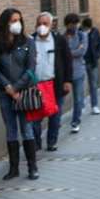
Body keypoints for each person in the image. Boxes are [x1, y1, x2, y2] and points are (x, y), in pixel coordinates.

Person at [0, 7, 39, 180]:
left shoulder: (28, 42)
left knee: (27, 130)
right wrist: (8, 87)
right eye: (12, 20)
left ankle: (32, 167)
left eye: (18, 20)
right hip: (5, 94)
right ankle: (13, 169)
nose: (16, 23)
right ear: (5, 23)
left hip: (24, 93)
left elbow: (31, 69)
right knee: (11, 131)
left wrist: (17, 88)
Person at [31, 12, 72, 152]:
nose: (42, 26)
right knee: (35, 118)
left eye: (45, 24)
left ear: (51, 25)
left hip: (54, 84)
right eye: (39, 23)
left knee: (55, 116)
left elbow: (68, 60)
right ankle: (36, 143)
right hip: (35, 86)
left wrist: (67, 80)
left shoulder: (59, 40)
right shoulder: (30, 41)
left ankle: (52, 141)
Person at [63, 13, 88, 133]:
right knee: (60, 99)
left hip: (78, 71)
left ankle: (75, 121)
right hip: (64, 73)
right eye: (71, 24)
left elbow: (82, 51)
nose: (73, 26)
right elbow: (62, 53)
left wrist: (68, 53)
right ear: (67, 25)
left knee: (78, 98)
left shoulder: (82, 35)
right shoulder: (62, 37)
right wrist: (75, 51)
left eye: (75, 24)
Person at [81, 17, 100, 115]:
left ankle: (94, 106)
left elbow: (99, 44)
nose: (87, 30)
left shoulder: (95, 32)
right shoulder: (79, 32)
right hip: (81, 63)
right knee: (80, 86)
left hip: (93, 62)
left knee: (93, 85)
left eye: (88, 28)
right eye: (86, 28)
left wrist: (98, 55)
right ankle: (81, 106)